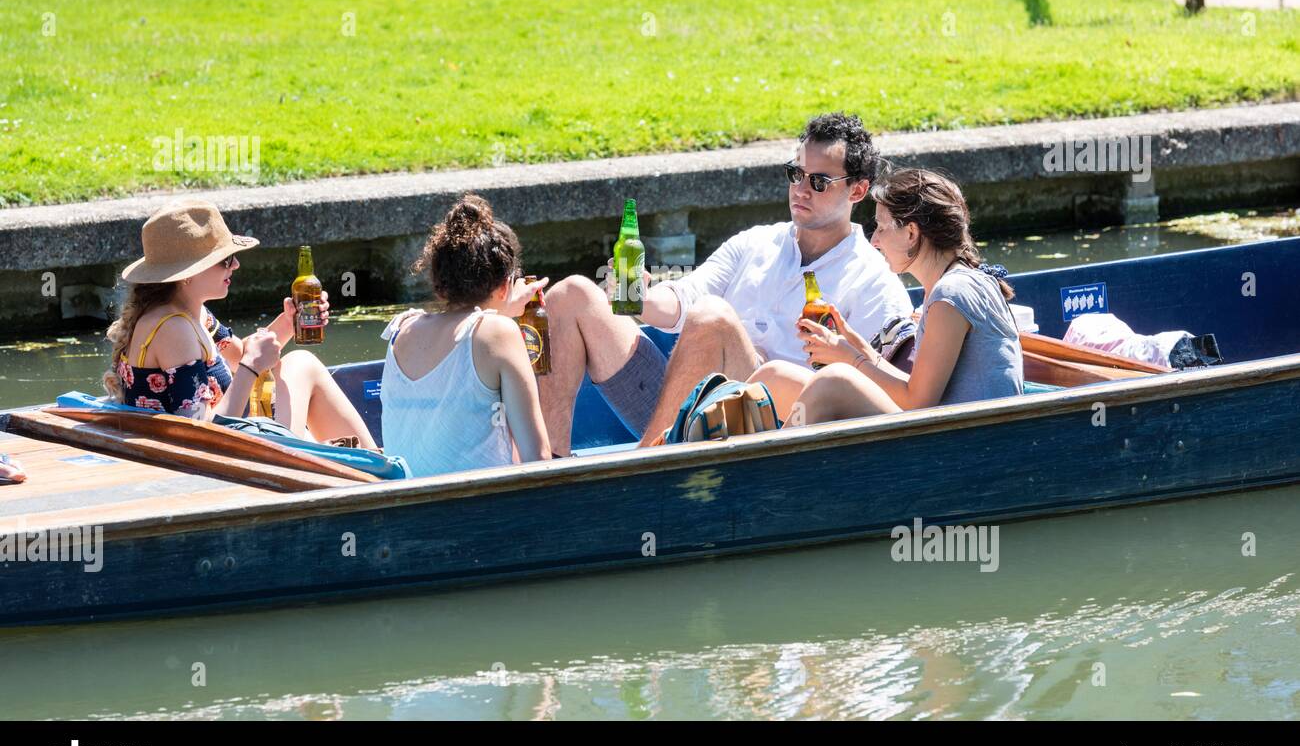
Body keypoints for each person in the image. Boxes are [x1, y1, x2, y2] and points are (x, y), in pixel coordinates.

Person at [536, 113, 915, 451]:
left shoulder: (874, 282)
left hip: (770, 437)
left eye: (818, 181)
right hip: (687, 410)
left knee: (714, 319)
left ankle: (646, 469)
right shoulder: (754, 241)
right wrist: (640, 299)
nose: (801, 190)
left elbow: (880, 398)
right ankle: (549, 471)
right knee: (573, 294)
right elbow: (686, 297)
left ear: (858, 190)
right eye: (795, 174)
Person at [750, 167, 1024, 425]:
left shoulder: (950, 295)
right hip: (947, 431)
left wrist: (851, 360)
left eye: (881, 227)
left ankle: (771, 473)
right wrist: (861, 350)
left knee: (834, 380)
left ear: (911, 233)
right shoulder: (949, 286)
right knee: (775, 377)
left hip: (964, 448)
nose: (875, 241)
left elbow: (918, 403)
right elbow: (916, 389)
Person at [104, 202, 377, 448]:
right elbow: (203, 434)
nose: (235, 265)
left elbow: (241, 354)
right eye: (225, 260)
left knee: (300, 363)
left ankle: (372, 463)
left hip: (228, 443)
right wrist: (250, 368)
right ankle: (380, 471)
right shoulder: (175, 329)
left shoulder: (193, 314)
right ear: (189, 273)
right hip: (218, 456)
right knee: (302, 364)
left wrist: (290, 322)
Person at [380, 194, 550, 478]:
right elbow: (539, 457)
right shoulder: (499, 333)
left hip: (408, 510)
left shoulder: (401, 328)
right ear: (505, 285)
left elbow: (467, 341)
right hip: (478, 513)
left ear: (439, 285)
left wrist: (502, 307)